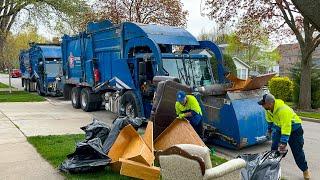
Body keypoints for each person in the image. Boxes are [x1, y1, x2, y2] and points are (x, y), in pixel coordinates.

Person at [258, 93, 311, 179]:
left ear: (270, 103)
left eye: (263, 104)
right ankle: (272, 170)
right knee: (274, 150)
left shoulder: (283, 110)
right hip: (280, 128)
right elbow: (270, 121)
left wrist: (283, 142)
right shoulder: (268, 110)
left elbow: (286, 127)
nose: (262, 106)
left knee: (297, 152)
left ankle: (305, 170)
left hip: (295, 130)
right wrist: (269, 130)